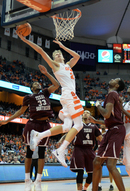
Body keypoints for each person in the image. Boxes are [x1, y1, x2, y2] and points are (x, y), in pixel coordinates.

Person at [17, 32, 84, 167]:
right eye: (55, 54)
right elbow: (41, 51)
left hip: (67, 97)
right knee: (79, 125)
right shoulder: (55, 65)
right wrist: (25, 40)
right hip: (69, 95)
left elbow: (77, 56)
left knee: (66, 127)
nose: (58, 55)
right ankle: (60, 150)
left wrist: (62, 47)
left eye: (59, 53)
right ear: (53, 58)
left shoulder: (68, 65)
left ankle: (39, 135)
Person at [0, 65, 59, 191]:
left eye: (38, 82)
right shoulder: (28, 97)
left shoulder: (46, 92)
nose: (37, 83)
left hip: (45, 125)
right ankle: (27, 179)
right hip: (32, 124)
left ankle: (38, 180)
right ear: (31, 88)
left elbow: (56, 84)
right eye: (34, 83)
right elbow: (20, 111)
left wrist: (46, 73)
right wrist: (7, 120)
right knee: (29, 152)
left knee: (42, 153)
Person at [77, 78, 130, 191]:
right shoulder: (115, 96)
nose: (112, 79)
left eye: (115, 79)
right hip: (111, 130)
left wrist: (97, 106)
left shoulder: (112, 94)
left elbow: (107, 114)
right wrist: (97, 121)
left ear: (117, 85)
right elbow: (110, 118)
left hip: (116, 131)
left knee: (110, 165)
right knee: (97, 162)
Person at [59, 110, 102, 191]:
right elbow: (68, 134)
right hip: (79, 149)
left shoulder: (94, 127)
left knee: (91, 174)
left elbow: (101, 139)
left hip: (90, 150)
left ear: (91, 116)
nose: (86, 113)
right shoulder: (77, 125)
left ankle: (84, 189)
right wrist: (61, 140)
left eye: (88, 112)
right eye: (84, 112)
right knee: (80, 171)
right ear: (82, 116)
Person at [96, 125, 114, 191]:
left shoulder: (108, 133)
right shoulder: (98, 133)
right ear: (100, 126)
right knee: (99, 169)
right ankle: (99, 185)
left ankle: (111, 184)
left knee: (110, 168)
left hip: (107, 153)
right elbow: (96, 144)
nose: (103, 125)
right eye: (101, 124)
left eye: (104, 124)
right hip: (100, 153)